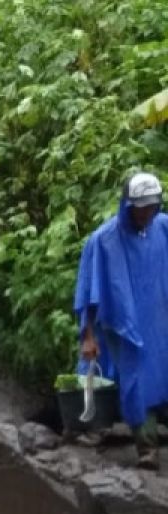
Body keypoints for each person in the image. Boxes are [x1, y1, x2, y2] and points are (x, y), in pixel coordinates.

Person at [75, 171, 168, 470]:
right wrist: (87, 335)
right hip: (123, 328)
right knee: (137, 381)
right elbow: (88, 292)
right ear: (127, 205)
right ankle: (146, 446)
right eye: (141, 207)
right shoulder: (103, 241)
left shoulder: (163, 228)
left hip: (159, 321)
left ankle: (103, 427)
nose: (147, 213)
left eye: (152, 206)